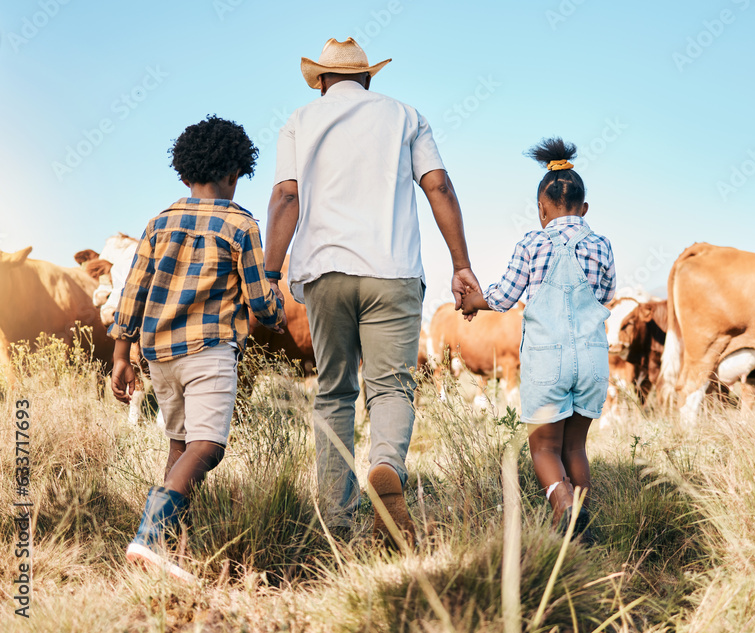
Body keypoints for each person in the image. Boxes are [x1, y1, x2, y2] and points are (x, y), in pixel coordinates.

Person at [264, 38, 479, 545]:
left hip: (324, 273)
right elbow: (439, 186)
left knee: (334, 391)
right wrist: (462, 265)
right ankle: (386, 467)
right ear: (367, 78)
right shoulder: (405, 116)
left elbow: (286, 196)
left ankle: (337, 518)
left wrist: (271, 275)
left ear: (320, 81)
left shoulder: (299, 120)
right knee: (391, 387)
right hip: (392, 270)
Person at [109, 116, 285, 580]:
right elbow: (260, 303)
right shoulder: (241, 225)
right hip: (209, 350)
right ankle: (150, 534)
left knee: (180, 446)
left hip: (158, 355)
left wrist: (120, 356)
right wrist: (277, 303)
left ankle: (168, 551)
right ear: (235, 175)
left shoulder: (159, 222)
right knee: (208, 446)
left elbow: (132, 291)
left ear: (184, 174)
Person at [461, 138, 615, 542]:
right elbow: (606, 295)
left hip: (548, 362)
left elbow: (504, 295)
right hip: (593, 360)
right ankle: (579, 533)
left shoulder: (533, 241)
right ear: (584, 210)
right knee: (575, 449)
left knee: (544, 449)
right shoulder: (601, 244)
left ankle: (562, 504)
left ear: (542, 210)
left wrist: (474, 300)